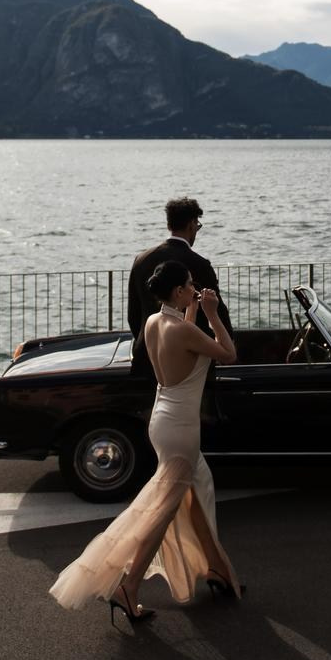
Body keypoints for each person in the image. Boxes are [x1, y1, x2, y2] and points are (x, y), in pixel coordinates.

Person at [49, 259, 243, 625]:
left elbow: (182, 343)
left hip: (162, 420)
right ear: (177, 291)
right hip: (182, 431)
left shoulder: (156, 322)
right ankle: (129, 585)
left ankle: (218, 570)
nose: (193, 287)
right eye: (188, 284)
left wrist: (191, 310)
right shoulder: (183, 331)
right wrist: (213, 314)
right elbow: (228, 354)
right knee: (160, 513)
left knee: (200, 489)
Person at [127, 196, 233, 342]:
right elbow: (217, 309)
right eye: (197, 225)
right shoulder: (200, 264)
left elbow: (133, 315)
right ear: (191, 225)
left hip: (147, 352)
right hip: (192, 354)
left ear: (169, 225)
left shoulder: (141, 260)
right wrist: (229, 341)